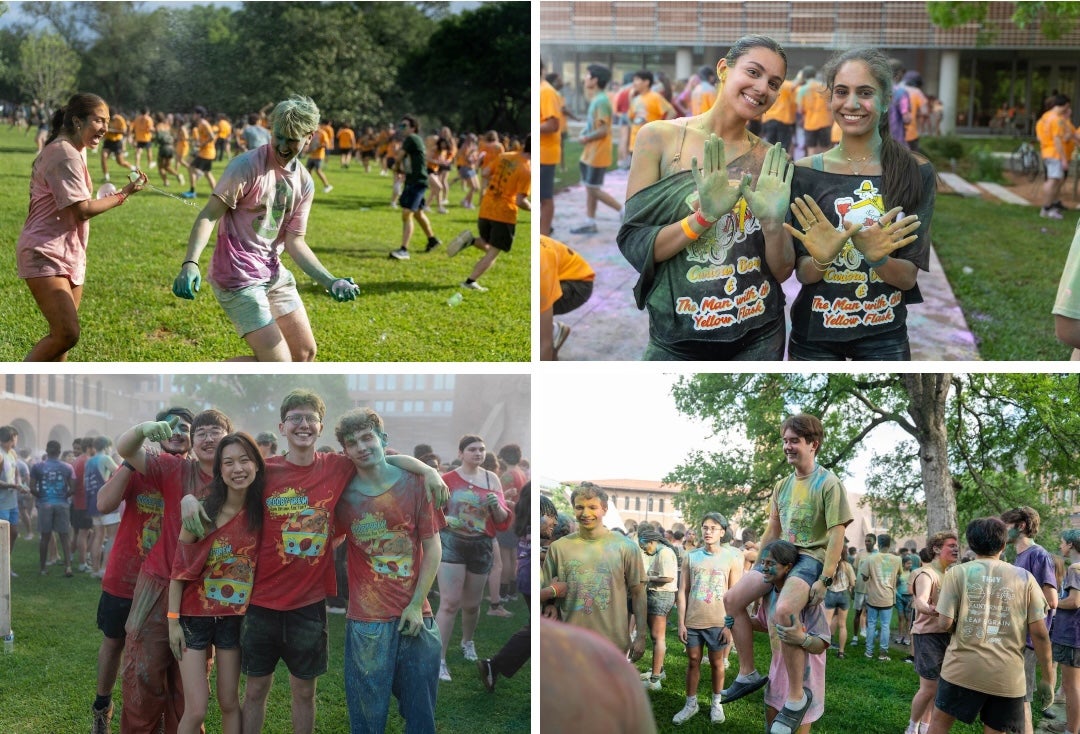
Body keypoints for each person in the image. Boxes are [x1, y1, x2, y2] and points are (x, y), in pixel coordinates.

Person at [179, 389, 446, 734]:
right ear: (282, 426)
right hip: (260, 602)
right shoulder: (264, 472)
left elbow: (382, 459)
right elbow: (226, 482)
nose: (303, 424)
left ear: (320, 428)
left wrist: (428, 470)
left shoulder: (337, 466)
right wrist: (189, 497)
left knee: (304, 692)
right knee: (256, 690)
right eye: (295, 418)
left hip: (309, 604)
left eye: (310, 418)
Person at [618, 36, 796, 361]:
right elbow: (635, 242)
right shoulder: (659, 139)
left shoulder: (772, 161)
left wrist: (772, 226)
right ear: (724, 69)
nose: (761, 88)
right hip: (677, 335)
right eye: (753, 72)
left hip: (760, 334)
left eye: (773, 83)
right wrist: (701, 219)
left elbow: (782, 270)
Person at [171, 94, 359, 362]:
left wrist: (331, 280)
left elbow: (296, 242)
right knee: (279, 364)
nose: (282, 146)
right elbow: (209, 215)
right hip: (237, 277)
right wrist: (190, 262)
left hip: (272, 272)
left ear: (310, 137)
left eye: (291, 140)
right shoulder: (246, 166)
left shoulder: (304, 182)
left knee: (304, 354)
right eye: (278, 137)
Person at [783, 47, 935, 361]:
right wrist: (822, 259)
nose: (852, 104)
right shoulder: (804, 173)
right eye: (841, 92)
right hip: (814, 333)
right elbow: (804, 274)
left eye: (865, 92)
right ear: (830, 98)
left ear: (886, 100)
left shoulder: (916, 172)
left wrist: (877, 258)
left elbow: (907, 277)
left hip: (884, 335)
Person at [722, 413, 852, 723]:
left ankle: (796, 697)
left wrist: (825, 578)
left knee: (783, 610)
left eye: (794, 441)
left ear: (813, 444)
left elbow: (837, 534)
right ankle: (747, 672)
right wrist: (757, 566)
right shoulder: (782, 485)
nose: (787, 446)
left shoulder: (828, 483)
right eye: (785, 441)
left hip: (811, 559)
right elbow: (773, 530)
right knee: (731, 599)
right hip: (781, 553)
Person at [117, 408, 232, 733]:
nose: (209, 438)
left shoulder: (240, 477)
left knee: (188, 687)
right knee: (142, 675)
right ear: (193, 443)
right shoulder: (175, 469)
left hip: (203, 593)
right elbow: (125, 449)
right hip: (157, 585)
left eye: (216, 431)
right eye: (202, 433)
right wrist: (142, 428)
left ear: (228, 438)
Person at [332, 408, 444, 734]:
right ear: (345, 451)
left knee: (421, 713)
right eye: (352, 443)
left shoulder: (416, 484)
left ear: (383, 439)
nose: (361, 447)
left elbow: (433, 547)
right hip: (367, 621)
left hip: (417, 615)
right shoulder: (344, 497)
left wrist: (415, 605)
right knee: (367, 715)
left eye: (367, 438)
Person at [16, 93, 148, 361]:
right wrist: (123, 194)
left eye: (107, 121)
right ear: (77, 121)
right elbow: (82, 210)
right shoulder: (64, 154)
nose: (105, 128)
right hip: (44, 251)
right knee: (67, 334)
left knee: (63, 341)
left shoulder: (75, 149)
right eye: (99, 120)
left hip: (69, 251)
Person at [91, 407, 194, 734]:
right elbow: (104, 504)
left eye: (186, 428)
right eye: (172, 427)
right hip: (126, 577)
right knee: (113, 642)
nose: (178, 433)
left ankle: (163, 721)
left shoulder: (194, 473)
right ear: (159, 430)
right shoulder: (139, 465)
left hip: (170, 584)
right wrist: (129, 459)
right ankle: (102, 706)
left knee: (162, 656)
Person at [168, 432, 264, 734]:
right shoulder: (202, 513)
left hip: (234, 620)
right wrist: (172, 621)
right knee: (196, 710)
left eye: (245, 460)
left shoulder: (263, 513)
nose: (238, 469)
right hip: (194, 617)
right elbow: (178, 569)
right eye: (229, 463)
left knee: (229, 701)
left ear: (257, 465)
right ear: (219, 470)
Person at [928, 517, 1054, 734]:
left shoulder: (957, 573)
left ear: (971, 544)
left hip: (961, 669)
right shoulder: (1025, 578)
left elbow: (944, 622)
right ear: (1004, 545)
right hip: (1006, 676)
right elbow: (1040, 635)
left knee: (939, 725)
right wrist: (1048, 678)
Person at [433, 434, 514, 682]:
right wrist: (446, 519)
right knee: (449, 603)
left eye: (481, 449)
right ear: (461, 453)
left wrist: (496, 505)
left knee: (472, 605)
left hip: (481, 545)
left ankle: (467, 641)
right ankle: (439, 660)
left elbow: (501, 519)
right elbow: (431, 513)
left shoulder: (492, 479)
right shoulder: (446, 480)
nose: (478, 453)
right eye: (472, 449)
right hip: (451, 543)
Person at [542, 481, 647, 667]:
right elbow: (547, 591)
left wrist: (641, 636)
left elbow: (638, 593)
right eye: (579, 507)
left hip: (613, 643)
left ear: (604, 509)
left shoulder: (626, 547)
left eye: (593, 507)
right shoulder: (558, 548)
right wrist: (550, 603)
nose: (585, 513)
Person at [751, 540, 832, 734]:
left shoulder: (807, 600)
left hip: (805, 682)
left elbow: (822, 642)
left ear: (788, 567)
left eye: (771, 563)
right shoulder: (769, 595)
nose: (765, 568)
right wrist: (739, 619)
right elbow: (765, 624)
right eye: (763, 562)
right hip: (777, 675)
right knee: (772, 730)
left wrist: (802, 639)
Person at [671, 512, 742, 725]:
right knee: (693, 661)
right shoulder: (691, 557)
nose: (708, 531)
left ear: (722, 532)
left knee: (717, 663)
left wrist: (729, 626)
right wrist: (681, 622)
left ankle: (716, 703)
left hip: (718, 622)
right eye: (705, 527)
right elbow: (682, 591)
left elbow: (734, 595)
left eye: (713, 528)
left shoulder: (732, 558)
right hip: (693, 621)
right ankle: (690, 704)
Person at [446, 136, 531, 292]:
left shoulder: (505, 156)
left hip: (486, 207)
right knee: (494, 252)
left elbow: (485, 172)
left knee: (487, 243)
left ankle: (470, 241)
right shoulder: (527, 170)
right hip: (504, 213)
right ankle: (470, 282)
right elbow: (520, 201)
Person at [1002, 506, 1059, 734]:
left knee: (1020, 701)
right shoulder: (1018, 556)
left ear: (1021, 526)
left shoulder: (1038, 554)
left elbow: (1051, 600)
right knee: (1012, 699)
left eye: (1006, 525)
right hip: (1015, 637)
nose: (1002, 529)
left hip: (1029, 641)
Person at [478, 483, 532, 694]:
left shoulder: (523, 514)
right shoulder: (537, 521)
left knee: (538, 628)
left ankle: (495, 666)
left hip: (525, 577)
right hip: (534, 578)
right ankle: (495, 665)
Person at [904, 531, 960, 734]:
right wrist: (932, 610)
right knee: (929, 687)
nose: (955, 548)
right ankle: (912, 727)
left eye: (956, 545)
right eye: (950, 545)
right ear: (936, 549)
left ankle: (926, 727)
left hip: (946, 635)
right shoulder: (927, 574)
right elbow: (920, 600)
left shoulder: (950, 574)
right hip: (927, 635)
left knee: (937, 687)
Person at [571, 63, 623, 235]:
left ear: (595, 80)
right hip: (591, 152)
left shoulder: (601, 101)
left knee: (593, 188)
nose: (585, 79)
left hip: (597, 153)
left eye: (587, 76)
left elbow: (603, 130)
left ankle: (624, 212)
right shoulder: (597, 99)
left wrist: (585, 137)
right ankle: (590, 221)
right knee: (589, 187)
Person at [388, 115, 441, 260]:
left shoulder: (411, 138)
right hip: (414, 180)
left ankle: (404, 250)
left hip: (416, 182)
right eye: (401, 125)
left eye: (404, 126)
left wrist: (396, 167)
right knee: (417, 213)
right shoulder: (414, 139)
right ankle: (432, 240)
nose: (401, 128)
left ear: (413, 127)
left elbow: (399, 157)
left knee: (407, 213)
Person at [635, 526, 679, 691]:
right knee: (657, 637)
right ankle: (659, 671)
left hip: (661, 596)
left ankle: (654, 681)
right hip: (657, 595)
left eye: (645, 546)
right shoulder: (660, 552)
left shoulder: (665, 553)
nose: (645, 551)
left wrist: (646, 578)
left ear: (652, 542)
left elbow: (668, 577)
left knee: (657, 637)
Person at [539, 235, 596, 360]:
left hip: (578, 285)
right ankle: (555, 331)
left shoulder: (541, 273)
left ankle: (552, 331)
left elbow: (545, 345)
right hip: (563, 275)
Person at [28, 439, 74, 577]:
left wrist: (41, 496)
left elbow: (31, 487)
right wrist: (63, 497)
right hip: (62, 504)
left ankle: (42, 568)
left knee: (45, 537)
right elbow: (73, 488)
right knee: (65, 536)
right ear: (59, 452)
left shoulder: (37, 467)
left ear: (46, 451)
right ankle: (68, 567)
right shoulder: (67, 467)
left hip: (45, 504)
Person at [1053, 529, 1080, 734]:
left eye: (1062, 542)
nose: (1060, 546)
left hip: (1072, 635)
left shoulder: (1075, 568)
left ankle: (1071, 730)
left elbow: (1074, 601)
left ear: (1071, 545)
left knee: (1072, 687)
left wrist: (1053, 603)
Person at [859, 533, 902, 661]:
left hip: (873, 596)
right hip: (888, 597)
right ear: (889, 544)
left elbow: (864, 576)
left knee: (871, 624)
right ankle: (883, 654)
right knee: (885, 625)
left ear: (878, 543)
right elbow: (899, 574)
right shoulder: (897, 559)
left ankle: (869, 652)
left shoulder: (871, 558)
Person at [1036, 95, 1075, 220]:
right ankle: (1047, 208)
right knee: (1053, 180)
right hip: (1054, 154)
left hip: (1047, 152)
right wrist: (1063, 158)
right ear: (1065, 105)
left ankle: (1049, 206)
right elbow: (1057, 140)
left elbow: (1039, 136)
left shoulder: (1045, 117)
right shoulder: (1056, 119)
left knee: (1054, 180)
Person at [539, 58, 561, 236]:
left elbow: (553, 125)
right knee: (540, 197)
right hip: (540, 152)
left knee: (544, 197)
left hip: (545, 154)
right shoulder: (541, 90)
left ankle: (544, 236)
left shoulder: (546, 92)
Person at [821, 545, 855, 656]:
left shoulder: (829, 565)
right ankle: (841, 652)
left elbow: (824, 580)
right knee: (842, 625)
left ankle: (823, 649)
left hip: (830, 594)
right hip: (844, 594)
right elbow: (853, 583)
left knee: (827, 622)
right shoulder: (848, 566)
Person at [181, 105, 218, 199]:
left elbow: (212, 137)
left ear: (199, 114)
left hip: (207, 152)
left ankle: (192, 191)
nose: (193, 115)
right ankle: (217, 194)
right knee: (207, 173)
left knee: (191, 167)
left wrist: (202, 145)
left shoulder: (204, 123)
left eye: (194, 113)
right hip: (206, 152)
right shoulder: (201, 123)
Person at [0, 426, 23, 573]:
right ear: (11, 437)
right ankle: (2, 567)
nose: (16, 440)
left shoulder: (13, 453)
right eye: (16, 437)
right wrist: (13, 485)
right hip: (1, 502)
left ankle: (6, 563)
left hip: (12, 501)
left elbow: (17, 472)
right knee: (3, 536)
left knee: (13, 532)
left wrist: (20, 484)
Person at [797, 67, 832, 157]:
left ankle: (812, 169)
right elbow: (830, 106)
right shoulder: (824, 88)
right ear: (815, 75)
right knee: (825, 150)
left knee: (811, 150)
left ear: (804, 76)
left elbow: (800, 109)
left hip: (810, 124)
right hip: (825, 122)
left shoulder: (802, 89)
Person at [100, 108, 132, 182]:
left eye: (113, 117)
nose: (111, 119)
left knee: (120, 162)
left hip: (117, 141)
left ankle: (132, 167)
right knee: (103, 156)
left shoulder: (120, 119)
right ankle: (106, 176)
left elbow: (124, 132)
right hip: (108, 141)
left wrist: (113, 131)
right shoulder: (105, 119)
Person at [304, 118, 333, 194]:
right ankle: (309, 186)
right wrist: (308, 149)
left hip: (319, 156)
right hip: (312, 155)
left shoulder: (323, 133)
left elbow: (326, 144)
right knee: (309, 170)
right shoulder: (312, 133)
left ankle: (327, 185)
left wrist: (316, 147)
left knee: (318, 171)